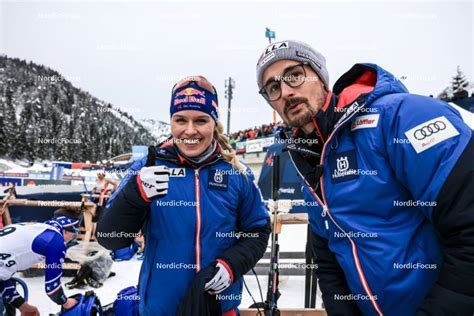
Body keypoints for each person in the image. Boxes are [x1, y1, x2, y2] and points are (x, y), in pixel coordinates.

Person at [256, 40, 474, 315]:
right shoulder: (307, 158)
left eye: (295, 75)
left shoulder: (401, 117)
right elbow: (328, 258)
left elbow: (468, 229)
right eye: (274, 88)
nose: (286, 92)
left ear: (320, 77)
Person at [97, 76, 270, 315]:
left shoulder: (237, 173)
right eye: (181, 120)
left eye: (200, 120)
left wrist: (230, 265)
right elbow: (110, 238)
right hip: (161, 309)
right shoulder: (146, 168)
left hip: (219, 308)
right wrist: (135, 194)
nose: (190, 131)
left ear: (214, 123)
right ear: (171, 122)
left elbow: (258, 231)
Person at [0, 208, 81, 315]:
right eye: (73, 235)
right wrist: (67, 303)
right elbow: (53, 289)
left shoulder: (36, 228)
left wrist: (23, 306)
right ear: (66, 229)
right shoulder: (55, 240)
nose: (71, 239)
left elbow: (2, 278)